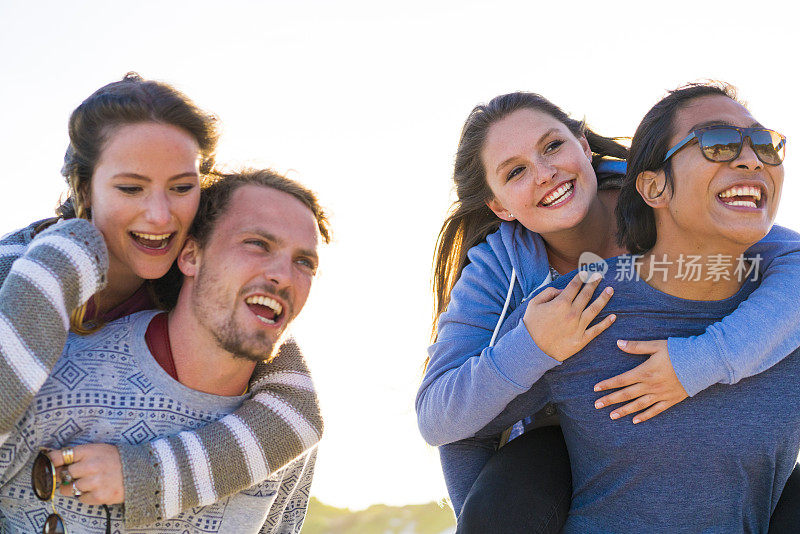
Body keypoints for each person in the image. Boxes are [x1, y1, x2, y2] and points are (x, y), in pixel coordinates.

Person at [417, 86, 800, 531]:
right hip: (558, 445)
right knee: (526, 469)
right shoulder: (496, 270)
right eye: (516, 171)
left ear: (582, 145)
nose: (544, 173)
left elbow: (788, 257)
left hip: (688, 456)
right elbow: (448, 421)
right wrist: (534, 345)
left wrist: (695, 362)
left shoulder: (670, 203)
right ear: (499, 205)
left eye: (553, 146)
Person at [0, 74, 323, 527]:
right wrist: (63, 255)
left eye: (181, 187)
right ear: (84, 190)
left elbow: (297, 412)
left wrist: (143, 476)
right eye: (130, 188)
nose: (160, 215)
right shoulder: (20, 267)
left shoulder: (194, 279)